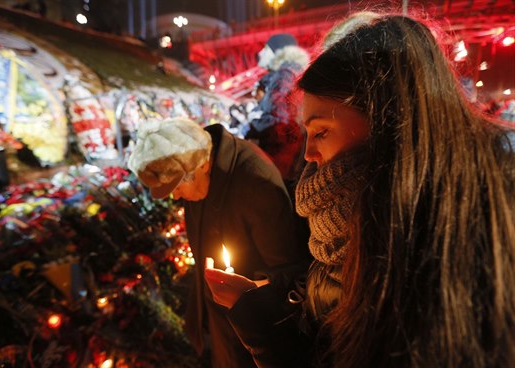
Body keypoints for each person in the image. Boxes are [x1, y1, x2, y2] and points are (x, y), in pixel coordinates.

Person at [204, 12, 515, 368]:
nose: (307, 155)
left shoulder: (437, 250)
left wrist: (263, 327)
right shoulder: (351, 222)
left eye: (320, 132)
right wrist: (262, 307)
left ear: (388, 119)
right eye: (306, 133)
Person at [127, 117, 308, 367]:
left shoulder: (255, 184)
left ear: (200, 166)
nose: (175, 195)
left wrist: (245, 293)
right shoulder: (201, 173)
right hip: (220, 323)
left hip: (252, 331)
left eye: (176, 186)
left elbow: (287, 272)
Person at [245, 33, 309, 183]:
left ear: (278, 52)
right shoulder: (290, 74)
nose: (260, 52)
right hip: (285, 156)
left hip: (278, 156)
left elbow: (279, 118)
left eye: (266, 48)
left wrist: (252, 128)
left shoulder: (284, 76)